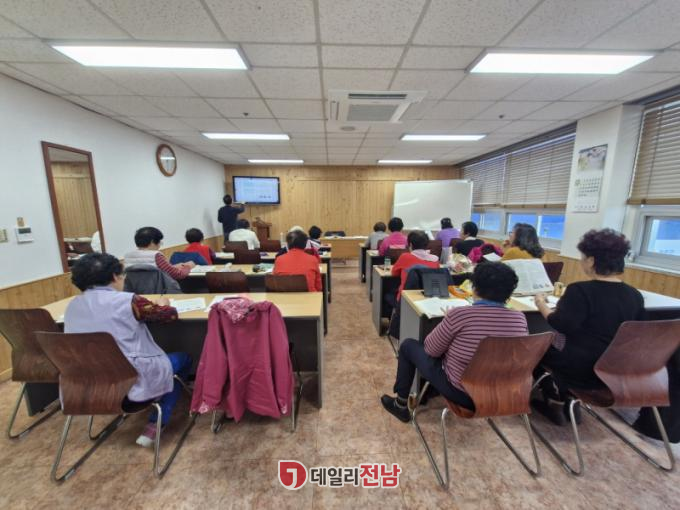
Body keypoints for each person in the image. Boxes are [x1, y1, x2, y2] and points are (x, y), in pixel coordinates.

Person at [64, 253, 192, 447]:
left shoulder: (72, 306)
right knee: (184, 358)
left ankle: (158, 401)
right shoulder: (129, 301)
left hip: (88, 385)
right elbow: (169, 316)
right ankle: (156, 421)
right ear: (115, 276)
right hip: (132, 381)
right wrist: (164, 304)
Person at [381, 262, 528, 422]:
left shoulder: (460, 315)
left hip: (463, 394)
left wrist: (448, 322)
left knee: (408, 346)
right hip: (504, 393)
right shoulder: (519, 319)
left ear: (474, 288)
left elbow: (431, 350)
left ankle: (400, 405)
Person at [532, 229, 645, 423]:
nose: (581, 261)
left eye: (583, 257)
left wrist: (540, 303)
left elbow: (560, 324)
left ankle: (555, 399)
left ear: (591, 260)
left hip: (582, 370)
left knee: (535, 350)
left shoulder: (580, 290)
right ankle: (568, 399)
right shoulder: (634, 295)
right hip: (616, 369)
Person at [124, 227, 193, 280]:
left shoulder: (128, 256)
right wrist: (188, 266)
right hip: (157, 291)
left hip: (135, 292)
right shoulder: (156, 255)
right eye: (159, 242)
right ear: (152, 242)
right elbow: (177, 275)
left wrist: (173, 267)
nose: (159, 246)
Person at [390, 230, 440, 300]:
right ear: (427, 244)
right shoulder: (435, 260)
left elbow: (394, 273)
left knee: (388, 294)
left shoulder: (405, 257)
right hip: (428, 299)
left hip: (406, 299)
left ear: (410, 244)